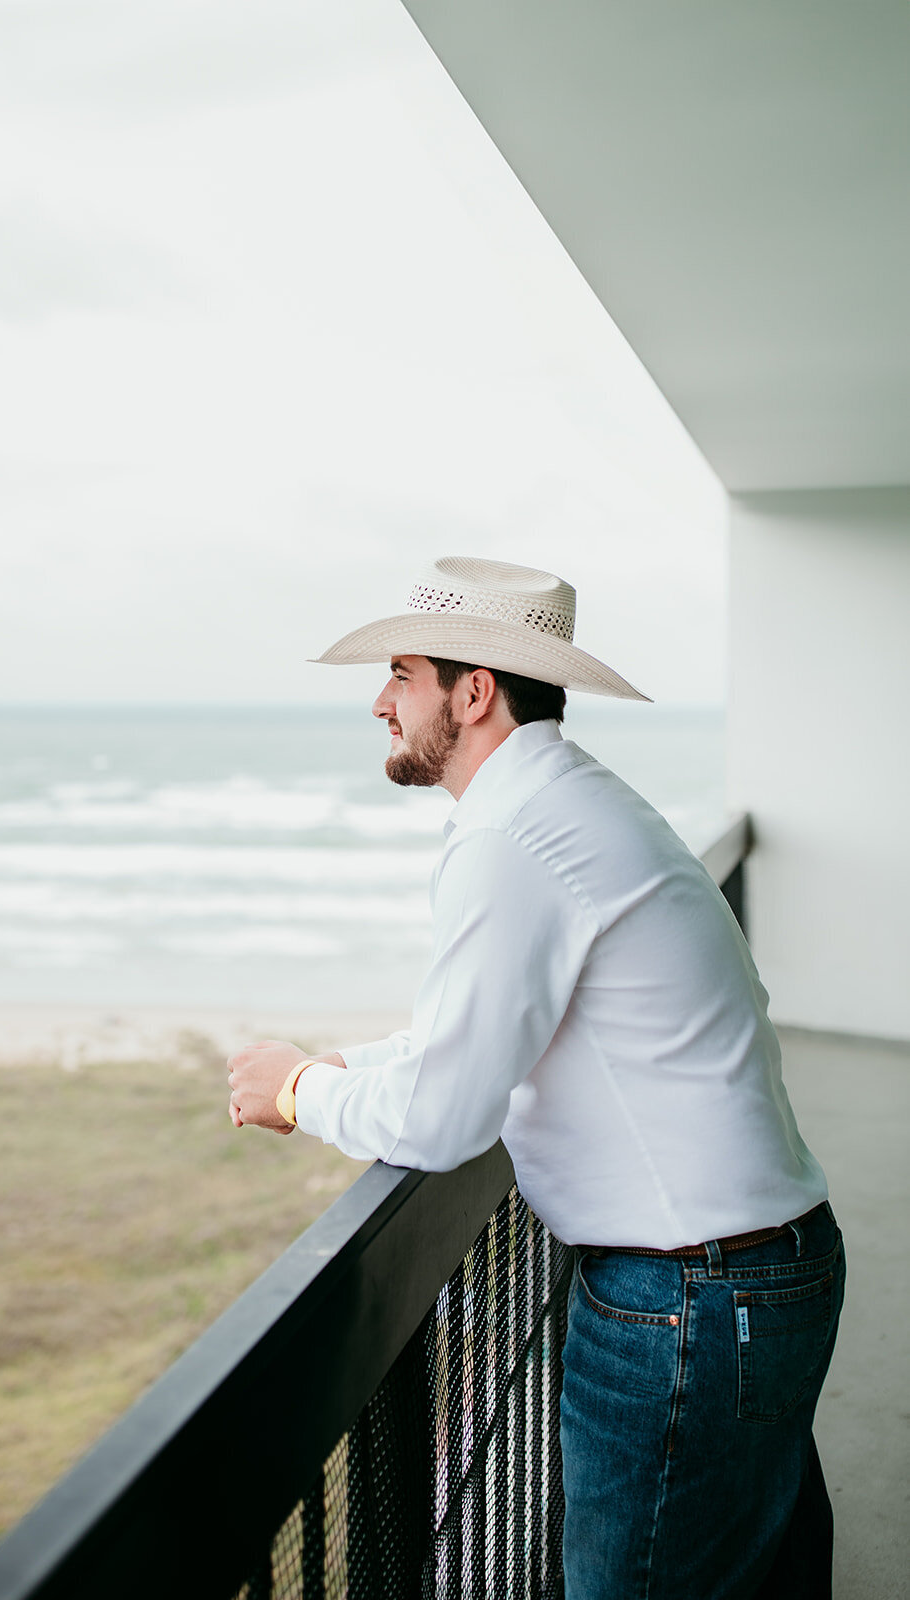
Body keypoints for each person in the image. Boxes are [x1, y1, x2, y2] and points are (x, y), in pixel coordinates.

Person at [227, 554, 844, 1600]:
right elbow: (480, 1029)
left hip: (688, 1302)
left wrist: (298, 1091)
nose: (379, 702)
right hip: (744, 1279)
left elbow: (441, 1116)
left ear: (472, 693)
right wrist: (349, 1064)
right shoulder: (564, 806)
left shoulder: (514, 835)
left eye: (401, 674)